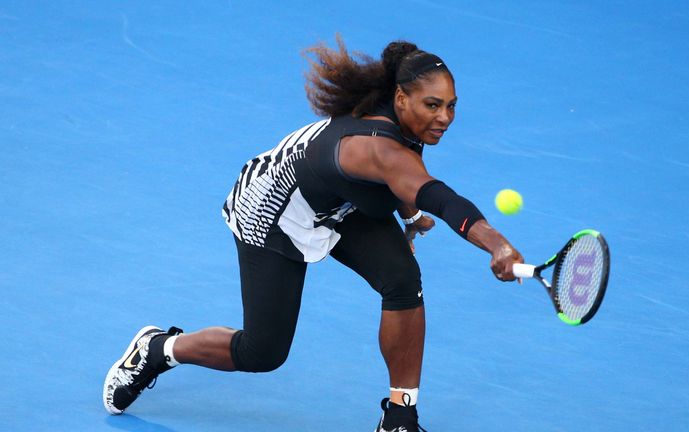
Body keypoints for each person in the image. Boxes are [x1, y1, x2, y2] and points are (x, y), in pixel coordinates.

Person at [103, 36, 524, 431]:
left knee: (402, 280)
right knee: (262, 352)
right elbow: (436, 195)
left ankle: (400, 416)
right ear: (401, 99)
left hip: (336, 200)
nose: (445, 118)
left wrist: (409, 218)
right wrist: (496, 244)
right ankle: (157, 350)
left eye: (451, 106)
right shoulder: (377, 147)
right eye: (433, 105)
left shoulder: (400, 119)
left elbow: (402, 179)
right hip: (270, 210)